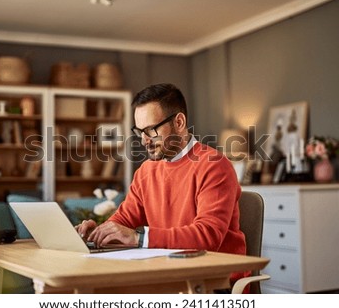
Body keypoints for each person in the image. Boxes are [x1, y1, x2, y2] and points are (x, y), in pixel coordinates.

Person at [77, 83, 248, 287]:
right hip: (166, 276)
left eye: (151, 130)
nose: (144, 140)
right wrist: (99, 232)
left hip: (215, 283)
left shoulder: (215, 166)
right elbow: (124, 220)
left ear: (179, 122)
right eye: (139, 131)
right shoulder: (146, 172)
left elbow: (207, 236)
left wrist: (139, 238)